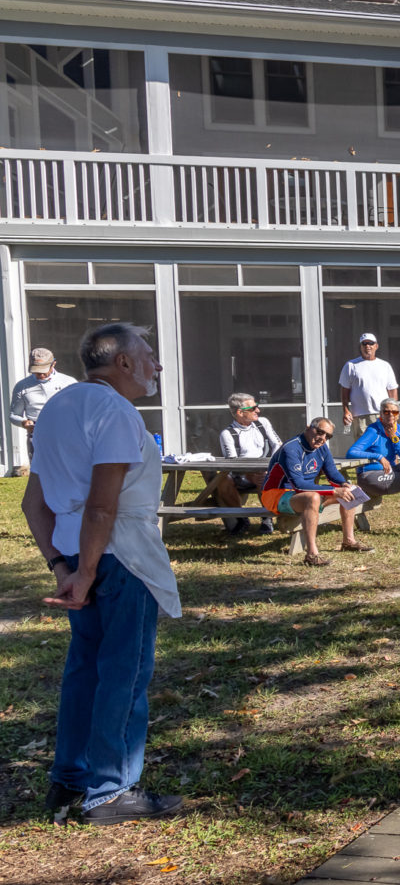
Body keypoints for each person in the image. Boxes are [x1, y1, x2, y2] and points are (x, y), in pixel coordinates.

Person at [21, 322, 182, 825]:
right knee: (124, 673)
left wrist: (61, 565)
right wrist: (86, 571)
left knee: (85, 670)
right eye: (150, 355)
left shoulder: (55, 410)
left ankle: (69, 781)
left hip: (77, 555)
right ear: (124, 363)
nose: (157, 365)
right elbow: (101, 505)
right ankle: (110, 790)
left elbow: (34, 503)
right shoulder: (114, 410)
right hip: (118, 557)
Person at [261, 418, 371, 567]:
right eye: (320, 432)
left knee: (349, 491)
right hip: (275, 494)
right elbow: (299, 485)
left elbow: (332, 473)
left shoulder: (322, 447)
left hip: (301, 493)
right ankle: (311, 555)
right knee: (312, 497)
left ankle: (348, 541)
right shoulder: (291, 448)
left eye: (328, 436)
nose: (323, 438)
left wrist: (344, 485)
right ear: (308, 428)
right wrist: (334, 490)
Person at [347, 399, 400, 533]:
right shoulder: (373, 430)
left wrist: (394, 437)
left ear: (398, 415)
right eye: (386, 412)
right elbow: (351, 452)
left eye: (394, 412)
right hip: (370, 476)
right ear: (381, 414)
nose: (390, 415)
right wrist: (378, 457)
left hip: (390, 472)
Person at [214, 393, 282, 536]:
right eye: (254, 408)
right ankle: (241, 519)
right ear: (240, 412)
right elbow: (232, 464)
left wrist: (269, 466)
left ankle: (266, 517)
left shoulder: (262, 423)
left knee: (262, 475)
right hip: (241, 474)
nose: (258, 410)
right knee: (222, 481)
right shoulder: (228, 434)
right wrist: (249, 473)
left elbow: (278, 444)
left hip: (265, 470)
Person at [10, 347, 76, 460]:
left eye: (43, 370)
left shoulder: (69, 382)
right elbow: (14, 415)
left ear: (53, 364)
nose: (40, 375)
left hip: (65, 433)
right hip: (36, 434)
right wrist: (23, 423)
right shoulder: (22, 386)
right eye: (36, 371)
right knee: (39, 475)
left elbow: (79, 411)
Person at [340, 333, 399, 436]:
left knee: (385, 445)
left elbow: (392, 390)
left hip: (383, 414)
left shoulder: (385, 366)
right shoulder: (350, 365)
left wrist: (393, 413)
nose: (367, 346)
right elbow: (344, 391)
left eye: (371, 343)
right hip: (360, 416)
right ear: (361, 347)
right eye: (364, 343)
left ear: (376, 346)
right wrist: (346, 410)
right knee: (363, 449)